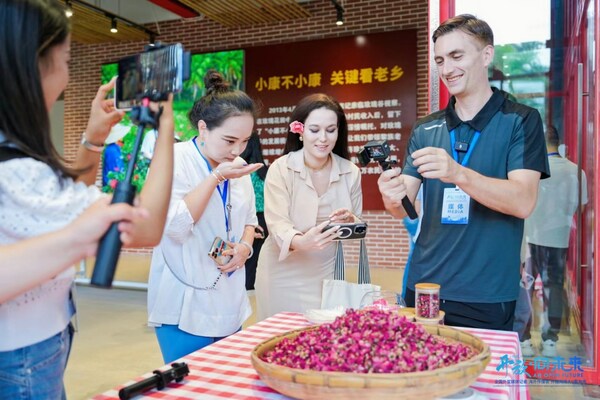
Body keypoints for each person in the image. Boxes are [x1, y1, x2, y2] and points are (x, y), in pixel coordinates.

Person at [0, 0, 175, 397]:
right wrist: (165, 126)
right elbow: (144, 226)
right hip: (22, 361)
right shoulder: (18, 172)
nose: (67, 75)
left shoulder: (17, 157)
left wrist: (93, 139)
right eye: (65, 60)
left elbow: (65, 202)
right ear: (32, 68)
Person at [377, 14, 549, 331]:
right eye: (440, 60)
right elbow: (404, 208)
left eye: (457, 56)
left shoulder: (521, 120)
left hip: (487, 293)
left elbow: (523, 201)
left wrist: (458, 173)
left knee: (480, 379)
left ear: (486, 55)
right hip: (424, 287)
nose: (446, 69)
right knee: (420, 376)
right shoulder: (426, 128)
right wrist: (391, 195)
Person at [147, 70, 263, 363]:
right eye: (229, 140)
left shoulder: (237, 165)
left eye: (245, 141)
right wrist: (215, 177)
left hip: (228, 296)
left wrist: (245, 248)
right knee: (188, 387)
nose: (237, 150)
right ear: (203, 128)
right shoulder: (173, 159)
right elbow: (174, 228)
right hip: (182, 298)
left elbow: (250, 220)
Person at [255, 93, 363, 320]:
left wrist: (349, 220)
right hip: (281, 270)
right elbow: (277, 223)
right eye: (314, 130)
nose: (323, 138)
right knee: (279, 342)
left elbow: (357, 224)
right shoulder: (281, 168)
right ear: (300, 131)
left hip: (326, 273)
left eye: (331, 130)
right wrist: (301, 242)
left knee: (323, 340)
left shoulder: (350, 171)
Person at [515, 125, 588, 357]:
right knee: (554, 289)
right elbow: (581, 206)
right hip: (559, 239)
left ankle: (524, 339)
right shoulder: (576, 171)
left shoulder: (529, 171)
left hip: (530, 237)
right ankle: (550, 341)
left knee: (525, 287)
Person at [240, 132, 269, 290]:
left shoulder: (240, 172)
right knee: (256, 259)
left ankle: (244, 289)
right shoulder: (265, 171)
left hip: (247, 219)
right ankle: (251, 288)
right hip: (264, 219)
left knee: (244, 258)